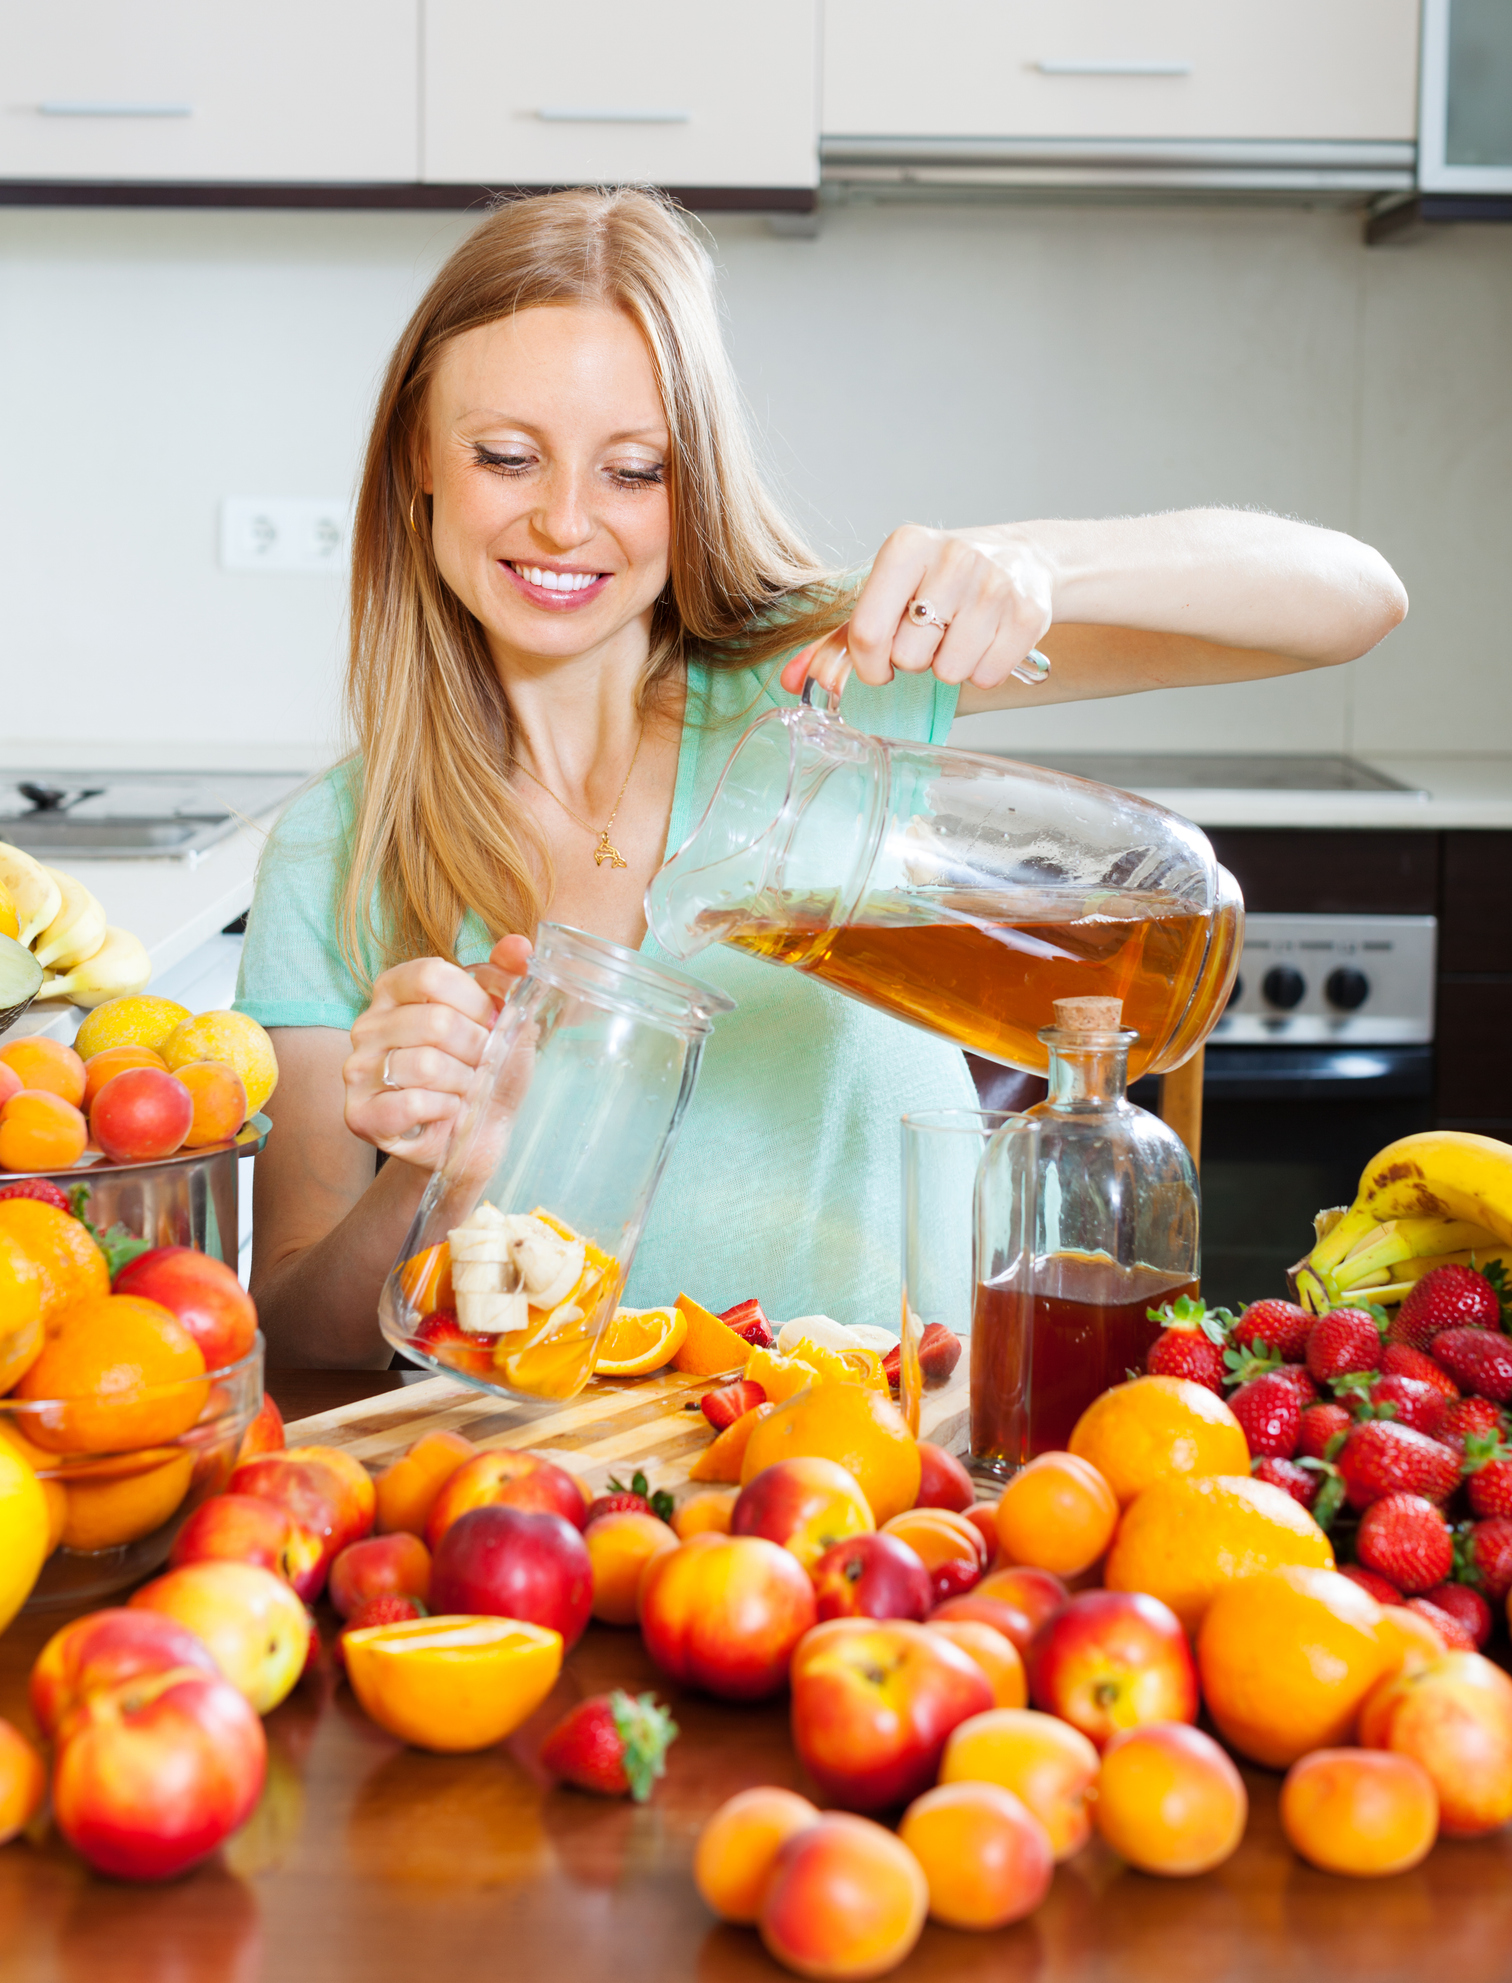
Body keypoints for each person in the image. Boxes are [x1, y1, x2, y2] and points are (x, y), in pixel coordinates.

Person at [235, 185, 1407, 1367]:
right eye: (506, 457)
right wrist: (436, 1178)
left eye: (634, 471)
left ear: (693, 485)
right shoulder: (336, 851)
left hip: (904, 1473)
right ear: (418, 461)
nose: (563, 521)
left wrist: (1036, 565)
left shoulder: (833, 679)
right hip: (561, 1500)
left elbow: (1350, 601)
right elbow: (295, 1332)